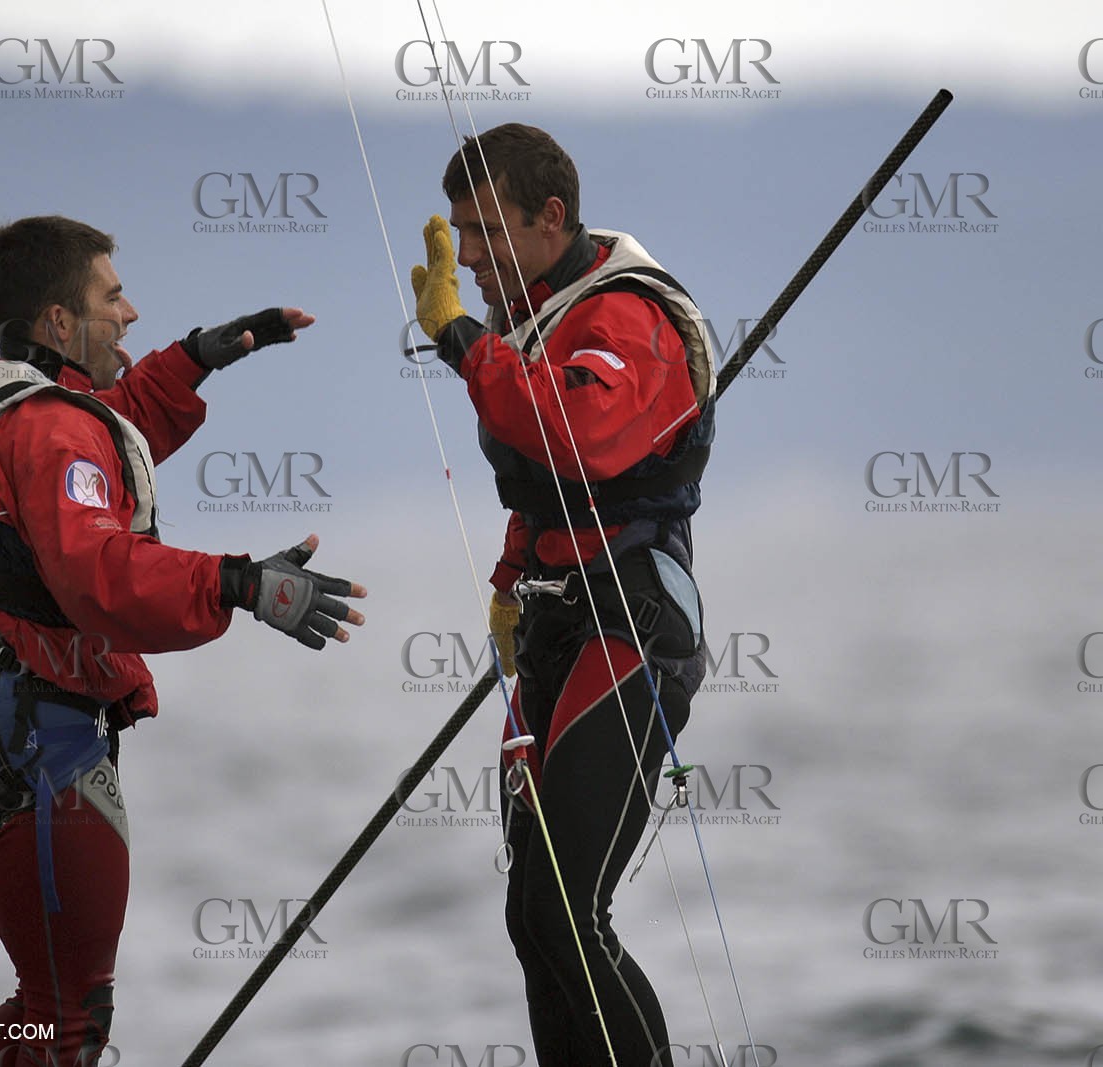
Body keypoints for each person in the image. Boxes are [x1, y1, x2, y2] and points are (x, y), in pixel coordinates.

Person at [0, 215, 366, 1066]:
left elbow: (100, 434)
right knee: (70, 1018)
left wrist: (199, 357)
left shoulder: (9, 404)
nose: (132, 312)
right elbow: (102, 574)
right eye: (112, 296)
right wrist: (241, 583)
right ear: (57, 322)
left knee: (46, 1005)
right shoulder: (47, 430)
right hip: (36, 740)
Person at [409, 124, 715, 1066]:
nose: (467, 258)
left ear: (552, 218)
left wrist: (463, 340)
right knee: (530, 920)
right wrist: (509, 585)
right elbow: (541, 493)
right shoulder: (536, 316)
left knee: (564, 908)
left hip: (631, 623)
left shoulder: (628, 316)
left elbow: (579, 438)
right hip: (552, 625)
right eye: (459, 231)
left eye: (487, 231)